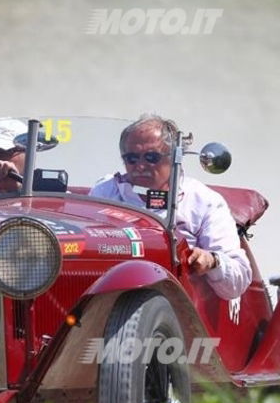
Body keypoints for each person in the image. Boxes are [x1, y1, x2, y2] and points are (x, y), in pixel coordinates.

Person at [88, 114, 252, 301]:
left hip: (180, 310)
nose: (140, 166)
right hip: (108, 298)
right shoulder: (105, 192)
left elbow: (238, 281)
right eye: (131, 158)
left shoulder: (203, 201)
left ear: (175, 157)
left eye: (151, 157)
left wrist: (211, 261)